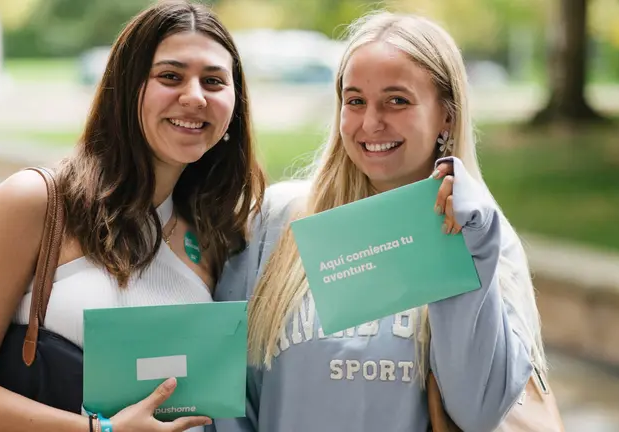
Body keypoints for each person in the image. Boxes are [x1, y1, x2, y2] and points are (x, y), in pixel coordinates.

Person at [0, 1, 265, 431]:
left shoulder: (215, 235)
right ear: (125, 88)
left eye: (213, 81)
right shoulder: (36, 203)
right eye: (170, 76)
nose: (194, 96)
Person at [212, 10, 547, 432]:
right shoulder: (278, 221)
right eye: (355, 101)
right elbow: (226, 396)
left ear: (447, 114)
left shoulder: (482, 235)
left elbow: (477, 412)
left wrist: (472, 246)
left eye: (397, 100)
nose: (371, 123)